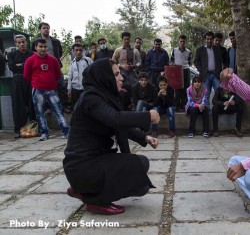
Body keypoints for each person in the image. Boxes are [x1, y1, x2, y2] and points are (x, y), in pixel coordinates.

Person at [63, 58, 160, 215]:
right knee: (140, 167)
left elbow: (117, 124)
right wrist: (147, 116)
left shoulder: (103, 97)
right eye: (116, 74)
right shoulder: (90, 98)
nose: (121, 78)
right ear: (104, 77)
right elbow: (115, 118)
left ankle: (84, 190)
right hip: (83, 166)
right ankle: (96, 200)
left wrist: (144, 138)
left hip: (88, 165)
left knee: (139, 178)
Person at [24, 38, 69, 141]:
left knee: (58, 111)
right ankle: (44, 133)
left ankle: (66, 132)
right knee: (39, 112)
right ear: (36, 47)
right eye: (40, 46)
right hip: (37, 90)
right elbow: (26, 76)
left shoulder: (53, 60)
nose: (43, 49)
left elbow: (58, 75)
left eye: (45, 47)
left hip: (51, 90)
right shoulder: (30, 60)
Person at [31, 22, 70, 114]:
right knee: (45, 88)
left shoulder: (56, 41)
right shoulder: (35, 42)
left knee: (61, 86)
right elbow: (33, 54)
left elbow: (59, 53)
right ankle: (48, 108)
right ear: (40, 29)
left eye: (48, 28)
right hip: (42, 69)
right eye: (44, 28)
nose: (46, 29)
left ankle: (63, 106)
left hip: (55, 67)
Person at [7, 35, 36, 138]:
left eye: (23, 42)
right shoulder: (11, 54)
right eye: (19, 42)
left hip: (30, 81)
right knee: (18, 106)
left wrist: (20, 65)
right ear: (16, 44)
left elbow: (33, 67)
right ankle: (18, 130)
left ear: (26, 42)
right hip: (17, 81)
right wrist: (25, 65)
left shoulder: (32, 54)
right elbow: (12, 67)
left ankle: (34, 129)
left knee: (32, 104)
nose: (21, 44)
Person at [194, 31, 224, 108]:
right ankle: (206, 111)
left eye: (211, 39)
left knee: (219, 92)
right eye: (207, 39)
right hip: (205, 75)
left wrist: (221, 71)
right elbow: (196, 61)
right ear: (205, 40)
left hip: (215, 75)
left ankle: (218, 109)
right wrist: (201, 70)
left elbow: (221, 60)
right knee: (206, 95)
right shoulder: (200, 50)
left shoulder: (217, 49)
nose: (209, 41)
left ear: (213, 39)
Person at [67, 43, 93, 109]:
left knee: (86, 106)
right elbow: (70, 76)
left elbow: (94, 73)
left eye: (80, 50)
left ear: (82, 50)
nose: (78, 52)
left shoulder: (88, 60)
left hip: (85, 88)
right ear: (73, 51)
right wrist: (69, 89)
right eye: (76, 50)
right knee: (76, 107)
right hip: (75, 89)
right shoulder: (72, 62)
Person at [170, 34, 192, 111]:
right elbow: (172, 60)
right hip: (177, 70)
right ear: (179, 41)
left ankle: (183, 105)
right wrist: (172, 64)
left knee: (185, 88)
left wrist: (185, 66)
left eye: (184, 41)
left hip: (186, 70)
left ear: (186, 42)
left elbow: (190, 62)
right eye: (181, 41)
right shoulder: (174, 50)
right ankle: (176, 105)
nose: (182, 43)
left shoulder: (189, 51)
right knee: (177, 88)